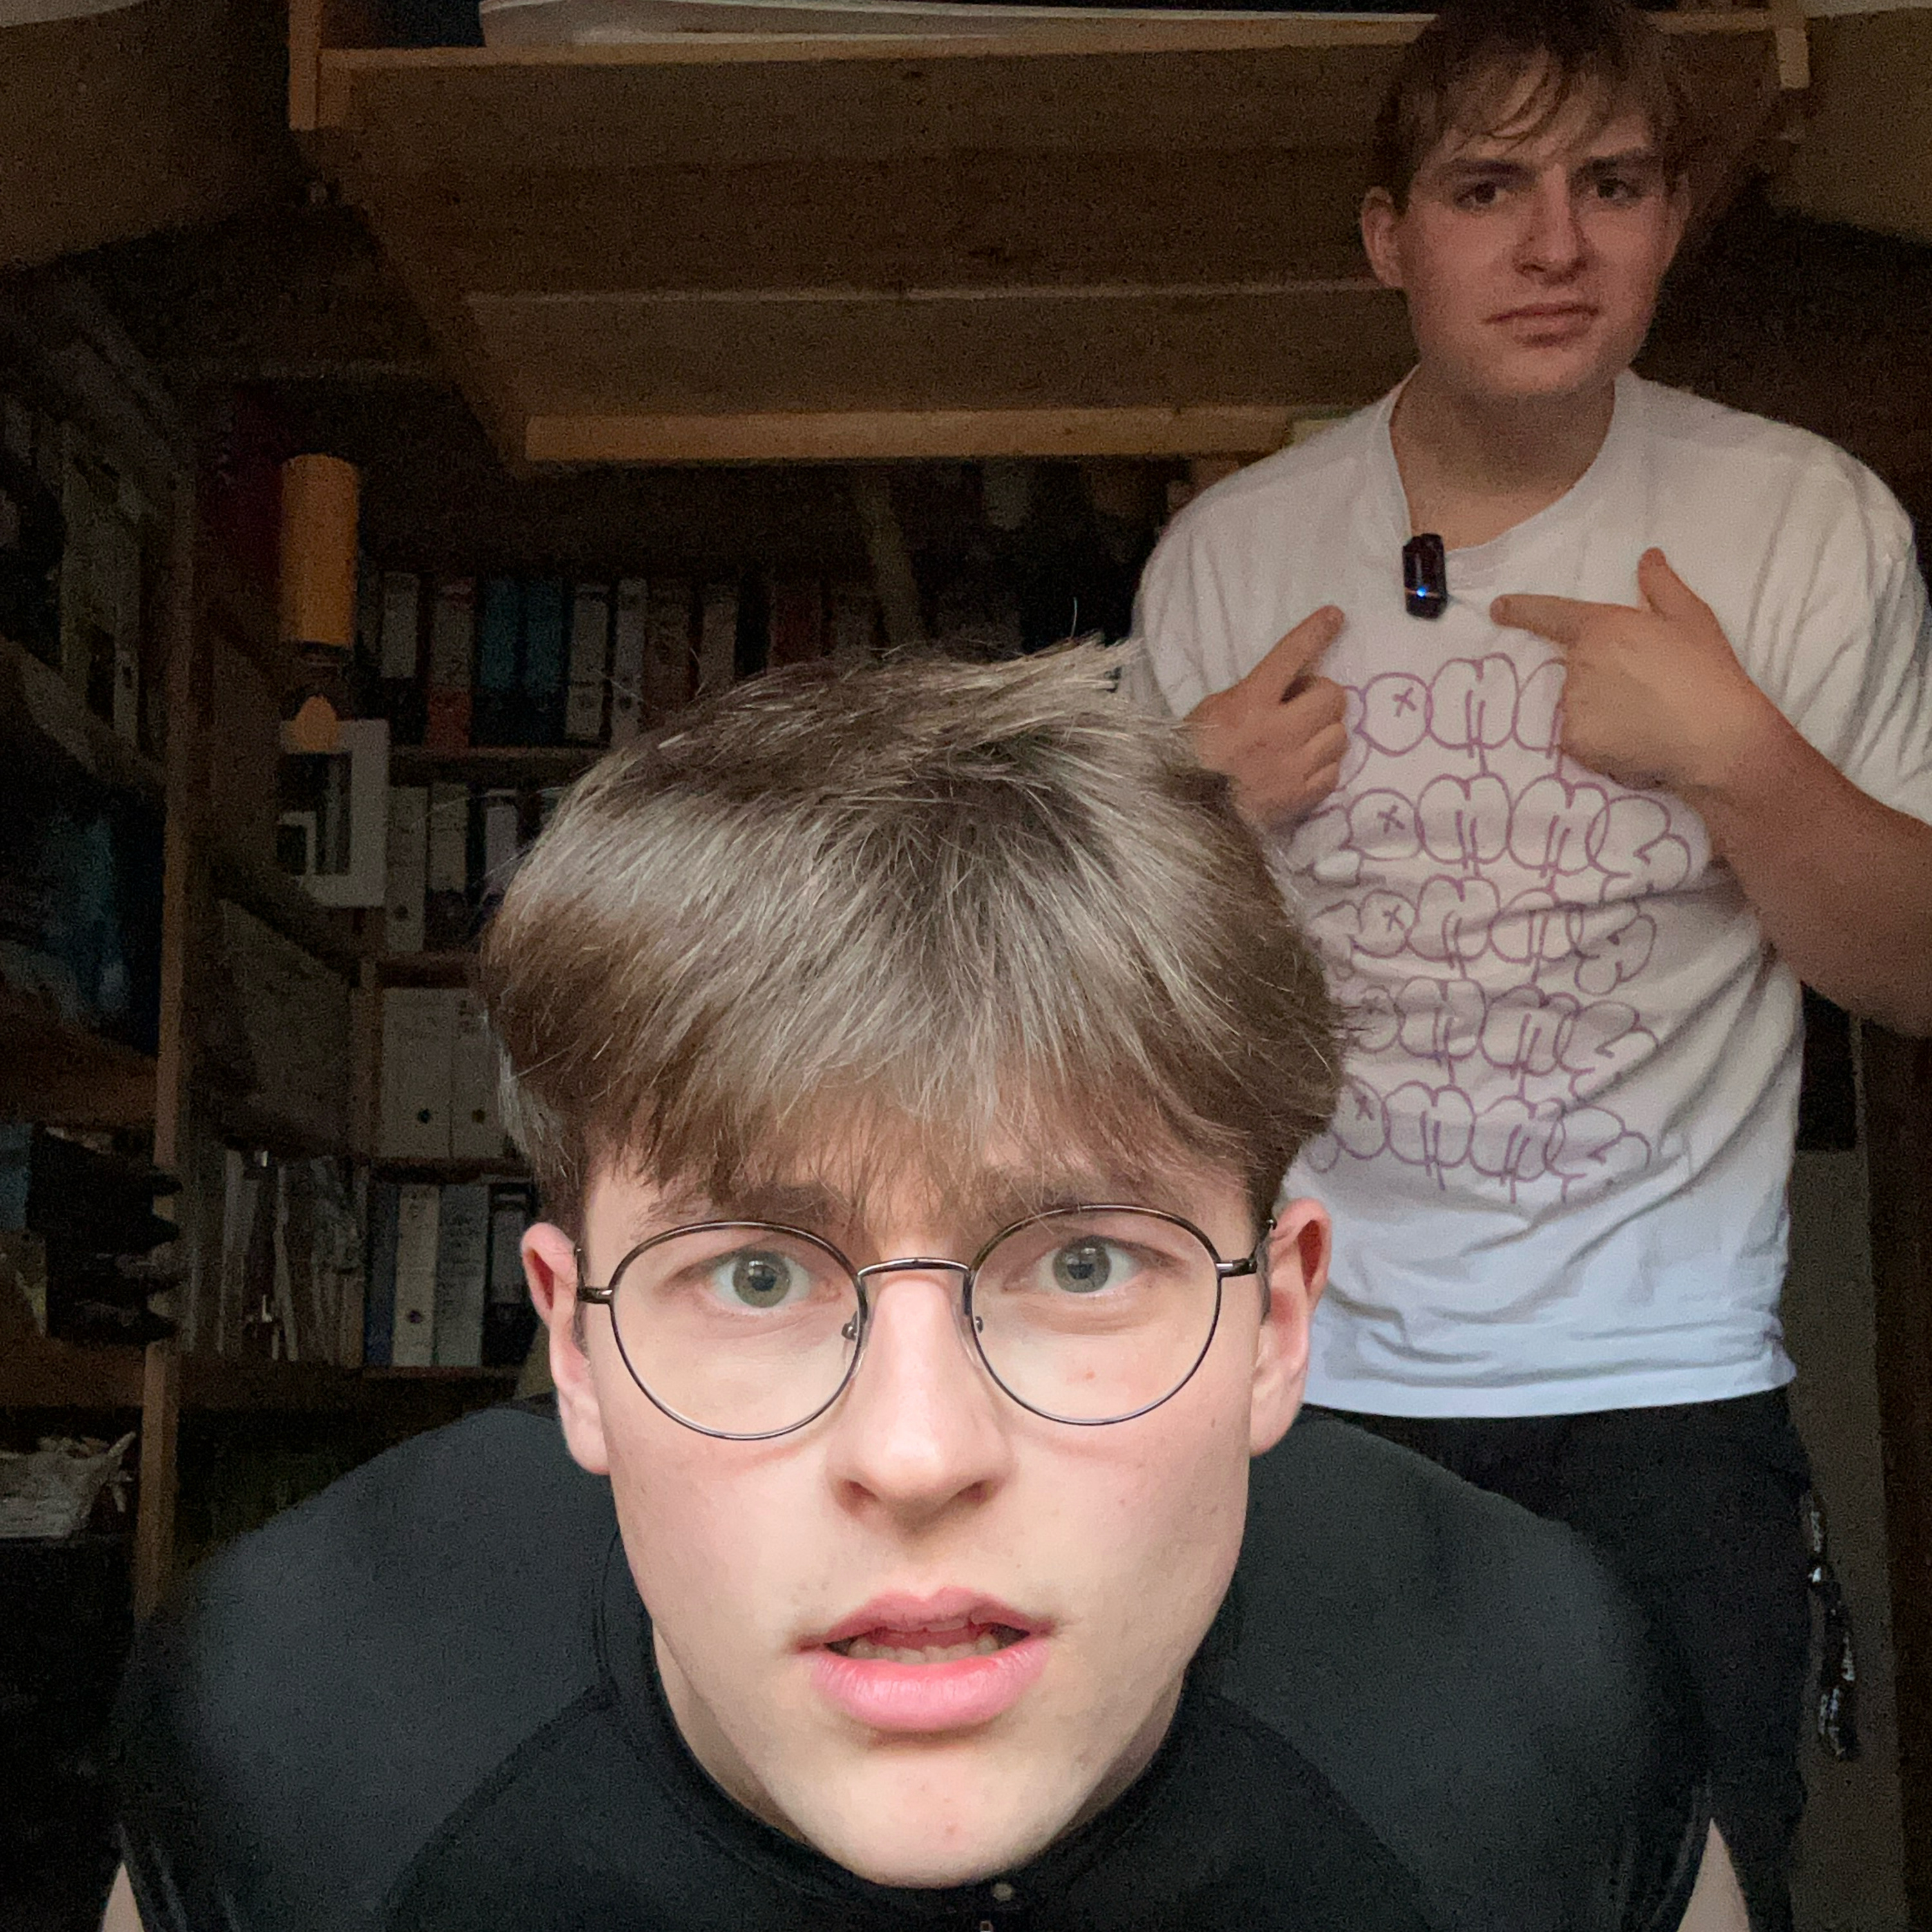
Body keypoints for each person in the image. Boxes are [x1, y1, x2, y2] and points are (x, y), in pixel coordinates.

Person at [106, 649, 1748, 1931]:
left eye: (1083, 1264)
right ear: (577, 1350)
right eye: (755, 1274)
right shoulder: (295, 1734)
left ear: (1276, 1323)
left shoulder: (1540, 1716)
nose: (915, 1453)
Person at [1124, 4, 1932, 1928]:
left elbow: (1909, 975)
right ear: (1389, 236)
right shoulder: (1233, 556)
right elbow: (1106, 1041)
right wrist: (1184, 824)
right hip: (1314, 1383)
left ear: (1673, 220)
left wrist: (1742, 758)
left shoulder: (1804, 521)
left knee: (1693, 1892)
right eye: (1489, 190)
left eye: (1612, 185)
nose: (1556, 245)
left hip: (1671, 1382)